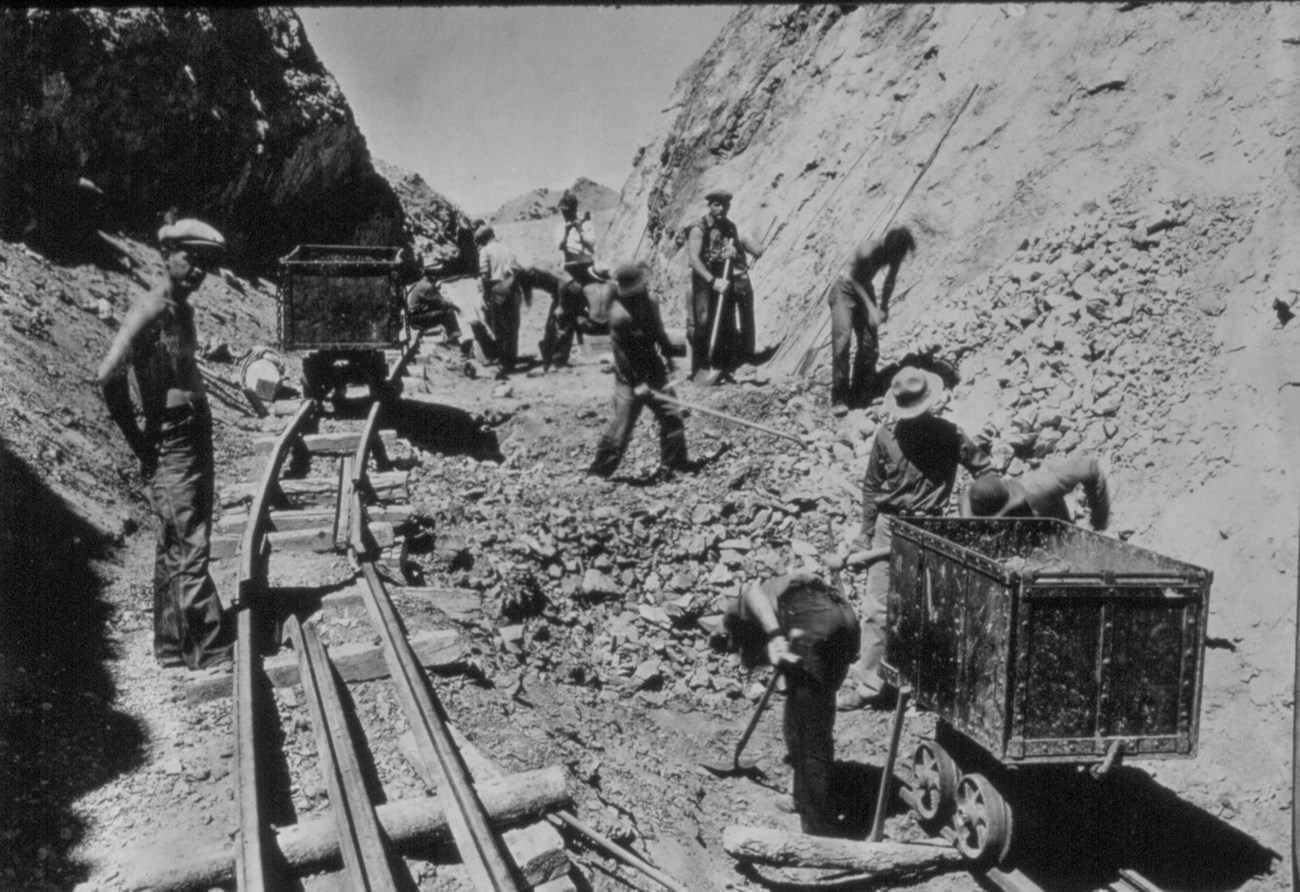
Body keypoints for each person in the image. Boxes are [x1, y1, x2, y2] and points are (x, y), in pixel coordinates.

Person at [95, 218, 234, 672]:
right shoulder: (150, 309)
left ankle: (172, 645)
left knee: (175, 541)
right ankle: (212, 648)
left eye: (205, 265)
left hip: (194, 431)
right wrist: (139, 441)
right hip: (172, 438)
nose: (198, 272)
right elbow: (107, 375)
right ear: (166, 255)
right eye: (190, 259)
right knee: (190, 541)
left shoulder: (184, 309)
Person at [839, 366, 994, 710]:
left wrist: (977, 515)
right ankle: (871, 687)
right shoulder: (885, 436)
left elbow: (984, 471)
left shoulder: (951, 435)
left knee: (930, 611)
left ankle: (925, 689)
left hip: (930, 530)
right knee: (877, 609)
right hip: (888, 528)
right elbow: (870, 488)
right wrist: (864, 536)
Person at [725, 570, 860, 836]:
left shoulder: (744, 609)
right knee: (802, 719)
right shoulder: (788, 596)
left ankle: (817, 830)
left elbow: (753, 595)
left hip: (816, 625)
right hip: (844, 622)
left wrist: (775, 636)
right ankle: (800, 797)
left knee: (810, 735)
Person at [586, 261, 692, 480]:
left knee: (672, 416)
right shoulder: (618, 314)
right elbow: (624, 357)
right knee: (620, 428)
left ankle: (673, 468)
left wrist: (670, 364)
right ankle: (597, 472)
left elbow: (659, 333)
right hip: (628, 377)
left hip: (654, 370)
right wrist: (638, 384)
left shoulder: (650, 301)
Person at [828, 226, 916, 414]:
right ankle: (840, 397)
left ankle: (860, 391)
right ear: (888, 246)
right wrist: (871, 308)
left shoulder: (895, 253)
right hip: (845, 288)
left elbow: (890, 279)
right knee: (842, 341)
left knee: (869, 344)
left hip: (865, 288)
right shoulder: (869, 249)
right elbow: (853, 279)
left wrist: (883, 306)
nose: (896, 258)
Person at [685, 189, 764, 377]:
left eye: (724, 205)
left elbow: (737, 252)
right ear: (710, 206)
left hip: (724, 275)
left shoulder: (730, 227)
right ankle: (700, 368)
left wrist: (733, 253)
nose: (721, 208)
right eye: (716, 205)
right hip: (705, 279)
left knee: (725, 322)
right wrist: (713, 281)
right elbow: (694, 260)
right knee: (703, 322)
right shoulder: (699, 227)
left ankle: (723, 367)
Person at [959, 453, 1111, 530]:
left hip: (1055, 532)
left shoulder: (1040, 486)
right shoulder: (975, 507)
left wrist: (1098, 520)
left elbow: (1090, 466)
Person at [521, 263, 590, 370]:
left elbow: (564, 281)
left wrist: (561, 306)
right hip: (562, 295)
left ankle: (557, 362)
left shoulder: (541, 268)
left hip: (570, 292)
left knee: (561, 326)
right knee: (552, 326)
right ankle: (551, 356)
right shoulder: (527, 277)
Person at [476, 223, 523, 372]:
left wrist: (486, 294)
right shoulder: (508, 249)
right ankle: (512, 361)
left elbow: (484, 275)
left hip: (498, 289)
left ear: (483, 239)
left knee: (500, 326)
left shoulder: (485, 251)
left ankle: (504, 364)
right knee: (512, 325)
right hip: (513, 289)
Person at [406, 263, 466, 350]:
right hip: (417, 319)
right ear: (431, 274)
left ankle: (452, 337)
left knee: (444, 310)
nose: (437, 275)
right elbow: (442, 303)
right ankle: (453, 341)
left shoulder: (423, 283)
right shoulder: (427, 286)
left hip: (417, 316)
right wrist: (457, 308)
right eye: (435, 273)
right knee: (448, 313)